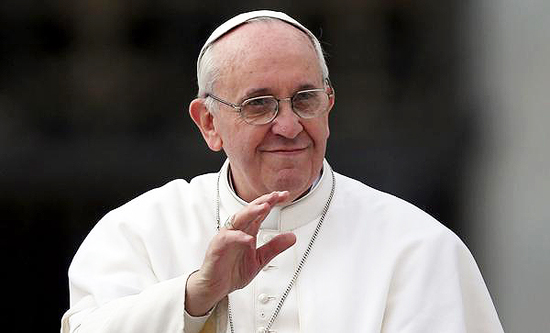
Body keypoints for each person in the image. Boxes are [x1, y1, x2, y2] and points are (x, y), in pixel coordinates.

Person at [61, 10, 504, 333]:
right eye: (259, 104)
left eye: (305, 99)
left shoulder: (418, 248)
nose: (288, 126)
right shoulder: (137, 232)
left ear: (328, 106)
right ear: (209, 124)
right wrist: (195, 297)